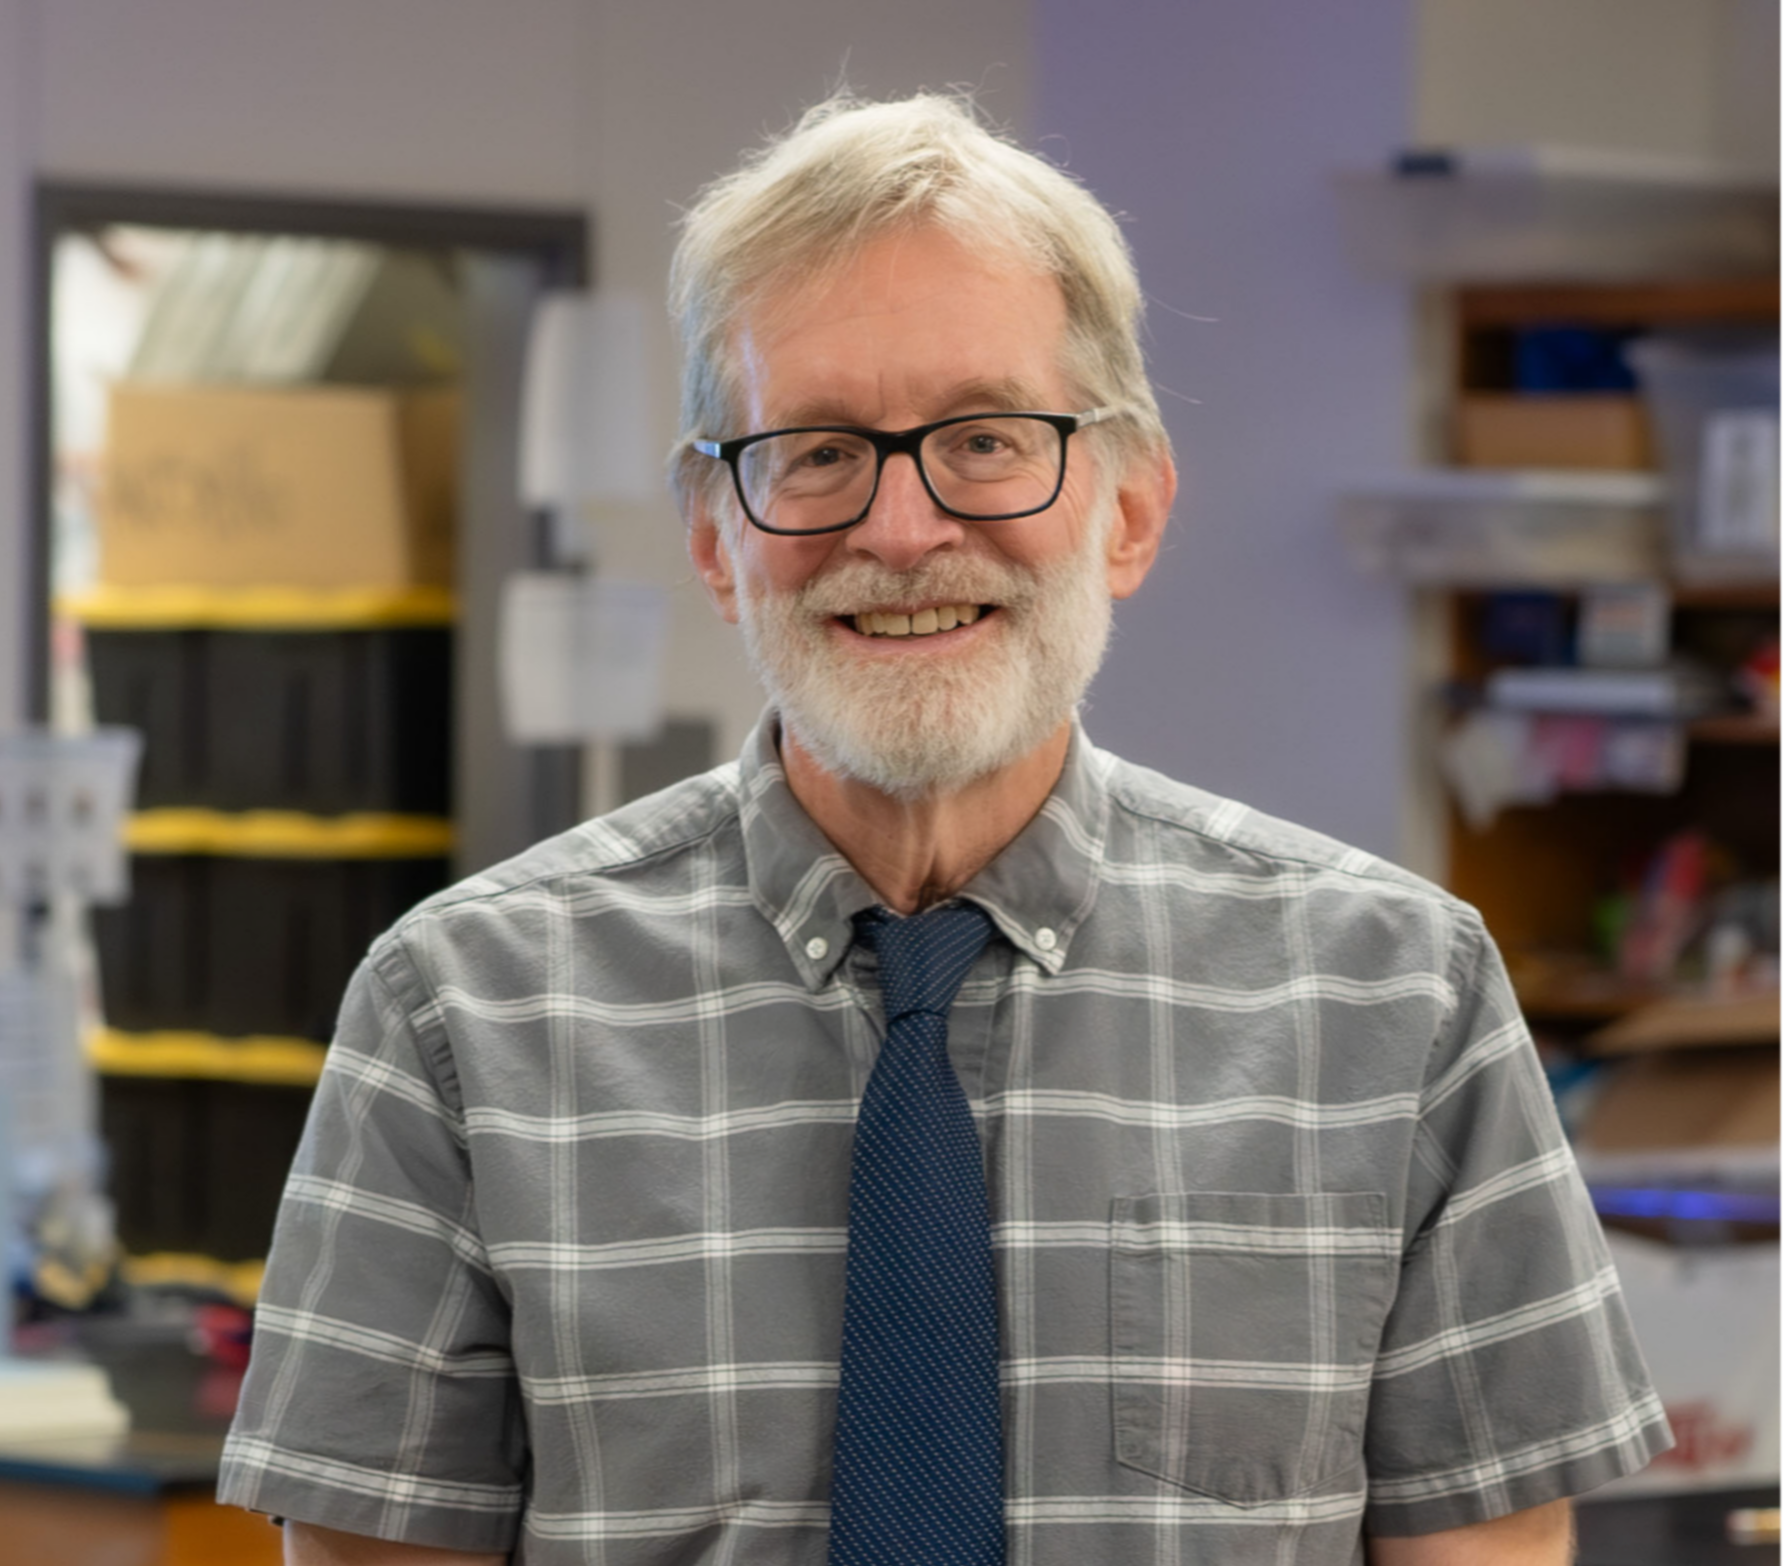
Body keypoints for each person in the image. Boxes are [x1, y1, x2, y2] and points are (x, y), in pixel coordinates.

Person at [219, 93, 1670, 1565]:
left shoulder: (1396, 999)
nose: (902, 529)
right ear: (716, 537)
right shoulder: (459, 1014)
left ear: (1128, 508)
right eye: (817, 450)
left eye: (984, 438)